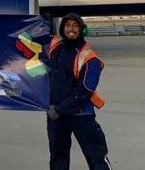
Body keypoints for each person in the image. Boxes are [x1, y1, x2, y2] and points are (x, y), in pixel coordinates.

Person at [46, 13, 112, 170]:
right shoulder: (55, 47)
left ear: (82, 29)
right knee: (57, 157)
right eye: (67, 25)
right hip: (56, 114)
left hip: (81, 114)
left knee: (96, 156)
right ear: (62, 28)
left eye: (75, 26)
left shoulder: (89, 58)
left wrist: (59, 109)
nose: (71, 29)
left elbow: (85, 90)